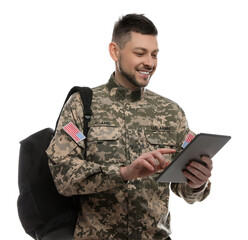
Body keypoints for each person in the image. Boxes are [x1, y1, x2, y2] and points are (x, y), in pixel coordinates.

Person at [46, 13, 212, 240]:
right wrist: (124, 172)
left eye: (154, 54)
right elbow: (63, 175)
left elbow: (185, 189)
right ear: (115, 51)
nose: (150, 63)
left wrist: (197, 183)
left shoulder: (171, 112)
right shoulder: (82, 105)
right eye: (140, 53)